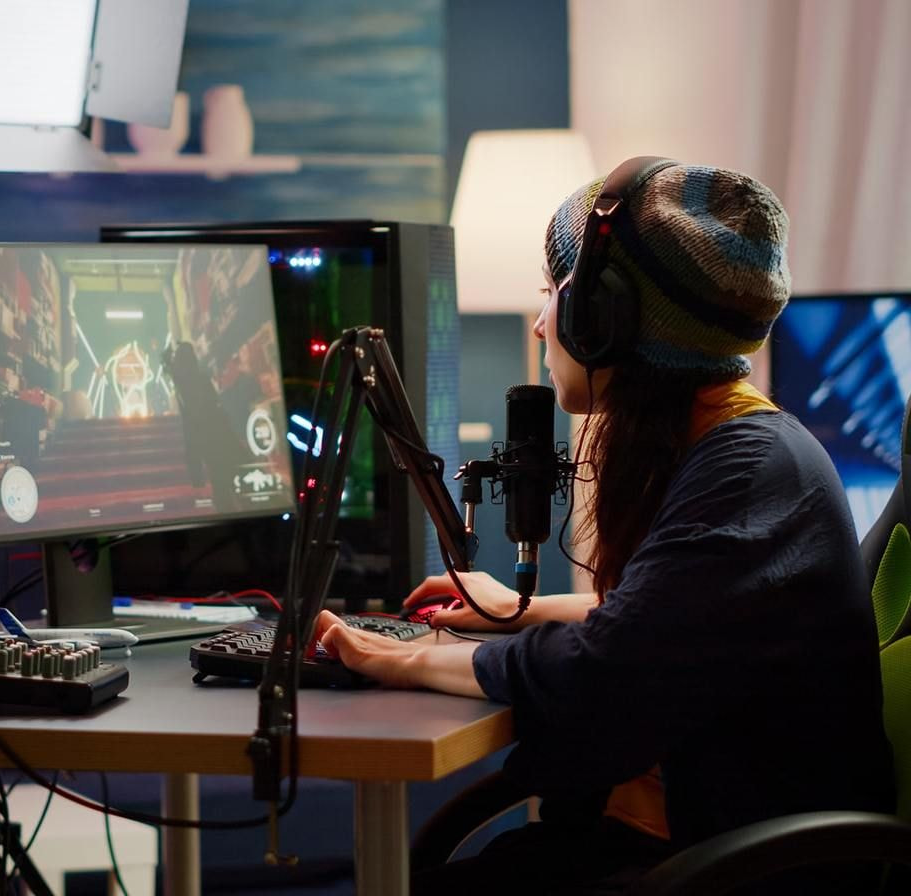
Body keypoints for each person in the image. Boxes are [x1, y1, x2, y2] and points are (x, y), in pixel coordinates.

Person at [315, 159, 894, 894]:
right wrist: (515, 609)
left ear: (602, 318)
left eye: (551, 295)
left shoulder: (751, 468)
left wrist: (400, 659)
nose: (538, 322)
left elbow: (603, 672)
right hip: (670, 848)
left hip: (716, 868)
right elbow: (675, 617)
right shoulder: (718, 442)